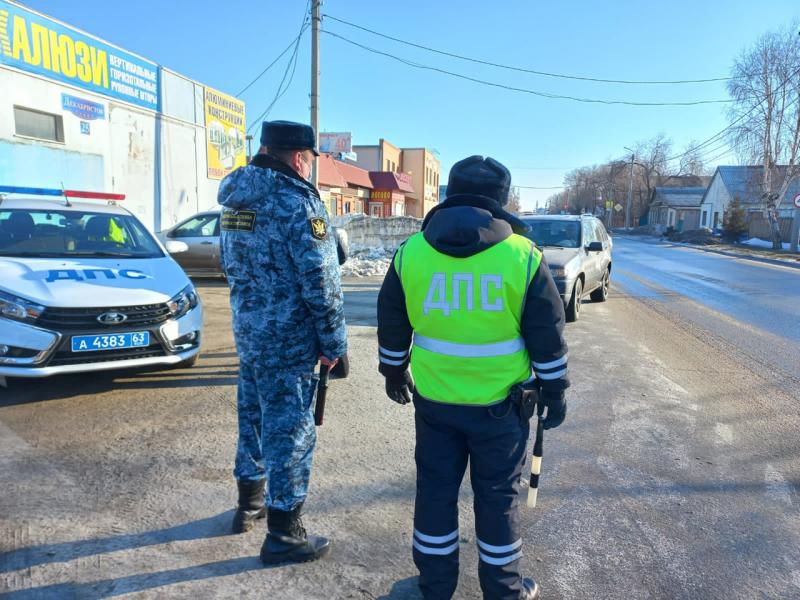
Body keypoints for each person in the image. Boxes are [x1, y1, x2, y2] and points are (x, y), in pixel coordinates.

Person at [377, 156, 569, 600]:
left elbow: (392, 318)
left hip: (436, 404)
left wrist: (393, 370)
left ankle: (434, 588)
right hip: (501, 410)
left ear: (448, 193)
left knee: (435, 494)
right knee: (498, 500)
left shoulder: (412, 253)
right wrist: (555, 391)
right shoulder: (522, 257)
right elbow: (547, 333)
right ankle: (503, 590)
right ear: (501, 201)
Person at [219, 119, 347, 565]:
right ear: (298, 158)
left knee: (251, 416)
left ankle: (248, 503)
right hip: (288, 341)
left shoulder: (236, 197)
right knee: (290, 432)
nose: (309, 168)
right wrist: (335, 342)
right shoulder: (297, 203)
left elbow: (230, 264)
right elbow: (322, 282)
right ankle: (285, 534)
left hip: (249, 333)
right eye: (310, 159)